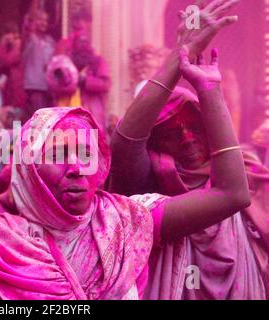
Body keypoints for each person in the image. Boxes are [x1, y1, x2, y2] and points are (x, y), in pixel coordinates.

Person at [0, 0, 250, 300]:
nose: (77, 167)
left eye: (86, 155)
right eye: (57, 155)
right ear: (26, 171)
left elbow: (231, 194)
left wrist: (208, 89)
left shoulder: (127, 224)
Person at [109, 0, 268, 299]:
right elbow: (124, 145)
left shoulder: (247, 172)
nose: (186, 138)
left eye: (193, 125)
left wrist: (210, 90)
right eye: (170, 132)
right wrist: (178, 55)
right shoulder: (149, 183)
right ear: (155, 142)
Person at [22, 2, 56, 121]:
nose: (44, 23)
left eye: (46, 20)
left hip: (49, 88)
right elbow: (29, 24)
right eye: (40, 19)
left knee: (49, 122)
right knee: (39, 121)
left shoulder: (50, 41)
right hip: (35, 87)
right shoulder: (30, 38)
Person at [0, 22, 27, 111]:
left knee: (16, 116)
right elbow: (1, 63)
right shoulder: (8, 48)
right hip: (9, 89)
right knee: (9, 115)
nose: (8, 37)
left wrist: (2, 45)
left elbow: (8, 61)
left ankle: (17, 126)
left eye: (12, 33)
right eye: (6, 34)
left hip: (18, 88)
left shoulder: (19, 45)